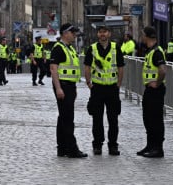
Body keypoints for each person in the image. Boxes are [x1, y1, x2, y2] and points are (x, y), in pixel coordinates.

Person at [84, 24, 124, 156]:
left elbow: (120, 67)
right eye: (100, 32)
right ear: (97, 34)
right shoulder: (92, 49)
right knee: (97, 119)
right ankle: (97, 145)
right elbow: (87, 66)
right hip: (97, 88)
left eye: (105, 32)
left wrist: (119, 84)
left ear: (109, 34)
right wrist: (89, 83)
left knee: (113, 119)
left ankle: (113, 145)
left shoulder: (115, 48)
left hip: (112, 88)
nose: (102, 34)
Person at [50, 23, 87, 158]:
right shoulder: (58, 48)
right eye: (72, 33)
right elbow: (53, 69)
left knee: (63, 118)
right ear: (65, 33)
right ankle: (72, 149)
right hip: (63, 86)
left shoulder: (69, 48)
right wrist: (58, 88)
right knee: (68, 119)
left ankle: (62, 148)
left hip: (70, 86)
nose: (74, 35)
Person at [137, 26, 166, 158]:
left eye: (143, 35)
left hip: (156, 90)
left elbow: (162, 70)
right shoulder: (150, 51)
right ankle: (150, 145)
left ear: (148, 37)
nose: (142, 37)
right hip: (149, 89)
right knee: (148, 118)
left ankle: (158, 148)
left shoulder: (157, 52)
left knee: (155, 119)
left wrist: (157, 83)